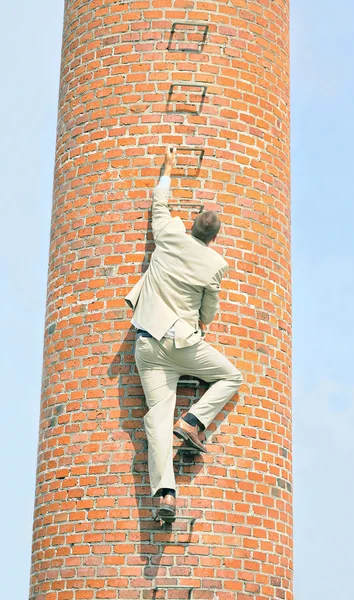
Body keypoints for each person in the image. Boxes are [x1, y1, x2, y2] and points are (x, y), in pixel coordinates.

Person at [125, 147, 243, 521]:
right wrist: (201, 317)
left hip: (146, 344)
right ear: (215, 238)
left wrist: (168, 171)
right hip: (183, 343)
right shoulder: (215, 265)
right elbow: (208, 311)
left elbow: (159, 208)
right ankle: (192, 423)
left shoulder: (170, 235)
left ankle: (165, 495)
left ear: (191, 225)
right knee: (230, 376)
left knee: (156, 420)